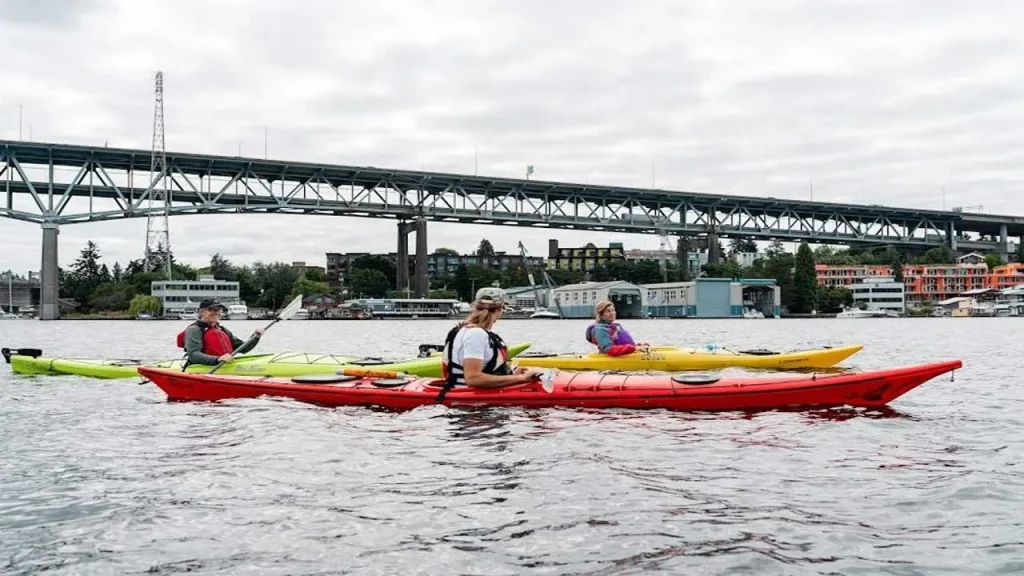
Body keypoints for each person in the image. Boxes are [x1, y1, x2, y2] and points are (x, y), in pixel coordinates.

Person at [440, 287, 544, 390]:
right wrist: (520, 378)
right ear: (500, 308)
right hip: (469, 398)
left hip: (464, 393)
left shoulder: (464, 329)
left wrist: (511, 375)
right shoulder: (476, 334)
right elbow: (473, 379)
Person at [175, 299, 264, 366]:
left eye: (217, 310)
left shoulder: (222, 329)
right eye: (211, 310)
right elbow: (193, 355)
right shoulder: (194, 329)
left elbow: (243, 348)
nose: (216, 312)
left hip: (224, 365)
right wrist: (218, 359)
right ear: (201, 312)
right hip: (204, 367)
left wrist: (255, 336)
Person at [585, 300, 650, 356]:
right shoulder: (600, 329)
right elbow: (610, 349)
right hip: (608, 357)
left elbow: (618, 343)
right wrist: (634, 348)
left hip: (623, 355)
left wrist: (636, 346)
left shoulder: (615, 326)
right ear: (600, 315)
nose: (612, 313)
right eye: (608, 311)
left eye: (613, 310)